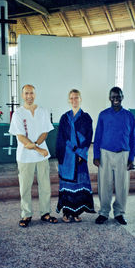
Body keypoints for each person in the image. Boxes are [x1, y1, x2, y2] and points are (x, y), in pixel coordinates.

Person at [9, 84, 58, 227]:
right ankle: (26, 215)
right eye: (26, 93)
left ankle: (45, 213)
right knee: (25, 187)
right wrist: (39, 149)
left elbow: (45, 132)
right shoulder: (18, 114)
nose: (29, 96)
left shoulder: (42, 111)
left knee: (45, 186)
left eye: (31, 93)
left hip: (41, 157)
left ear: (35, 94)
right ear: (22, 95)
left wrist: (36, 145)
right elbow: (21, 138)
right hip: (24, 156)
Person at [93, 86, 135, 225]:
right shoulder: (103, 114)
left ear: (122, 97)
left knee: (122, 186)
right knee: (104, 185)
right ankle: (104, 212)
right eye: (113, 96)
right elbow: (98, 135)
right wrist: (96, 155)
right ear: (109, 98)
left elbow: (132, 138)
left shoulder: (129, 116)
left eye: (118, 96)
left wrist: (131, 158)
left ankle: (119, 213)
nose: (115, 99)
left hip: (123, 155)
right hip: (105, 154)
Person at [56, 89, 95, 222]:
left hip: (80, 157)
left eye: (76, 97)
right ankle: (66, 213)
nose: (74, 100)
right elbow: (61, 137)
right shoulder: (64, 118)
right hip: (67, 157)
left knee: (79, 184)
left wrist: (80, 153)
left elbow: (88, 136)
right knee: (67, 184)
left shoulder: (86, 117)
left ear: (80, 99)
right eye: (71, 98)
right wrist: (72, 150)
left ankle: (77, 212)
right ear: (68, 100)